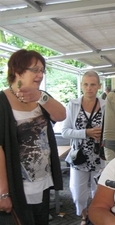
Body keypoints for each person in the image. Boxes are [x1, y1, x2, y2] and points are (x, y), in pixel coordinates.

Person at [0, 49, 66, 225]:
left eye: (42, 70)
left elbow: (61, 115)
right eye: (35, 70)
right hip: (17, 186)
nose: (40, 75)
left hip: (42, 181)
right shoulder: (2, 101)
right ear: (17, 70)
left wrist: (41, 97)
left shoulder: (41, 97)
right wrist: (3, 192)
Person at [61, 71, 106, 225]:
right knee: (78, 192)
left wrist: (103, 136)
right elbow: (65, 131)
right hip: (79, 155)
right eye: (86, 84)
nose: (89, 88)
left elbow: (111, 130)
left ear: (99, 86)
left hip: (99, 156)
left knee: (98, 190)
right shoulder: (73, 105)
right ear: (81, 85)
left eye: (93, 84)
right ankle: (84, 214)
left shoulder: (106, 106)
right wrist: (85, 133)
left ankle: (95, 215)